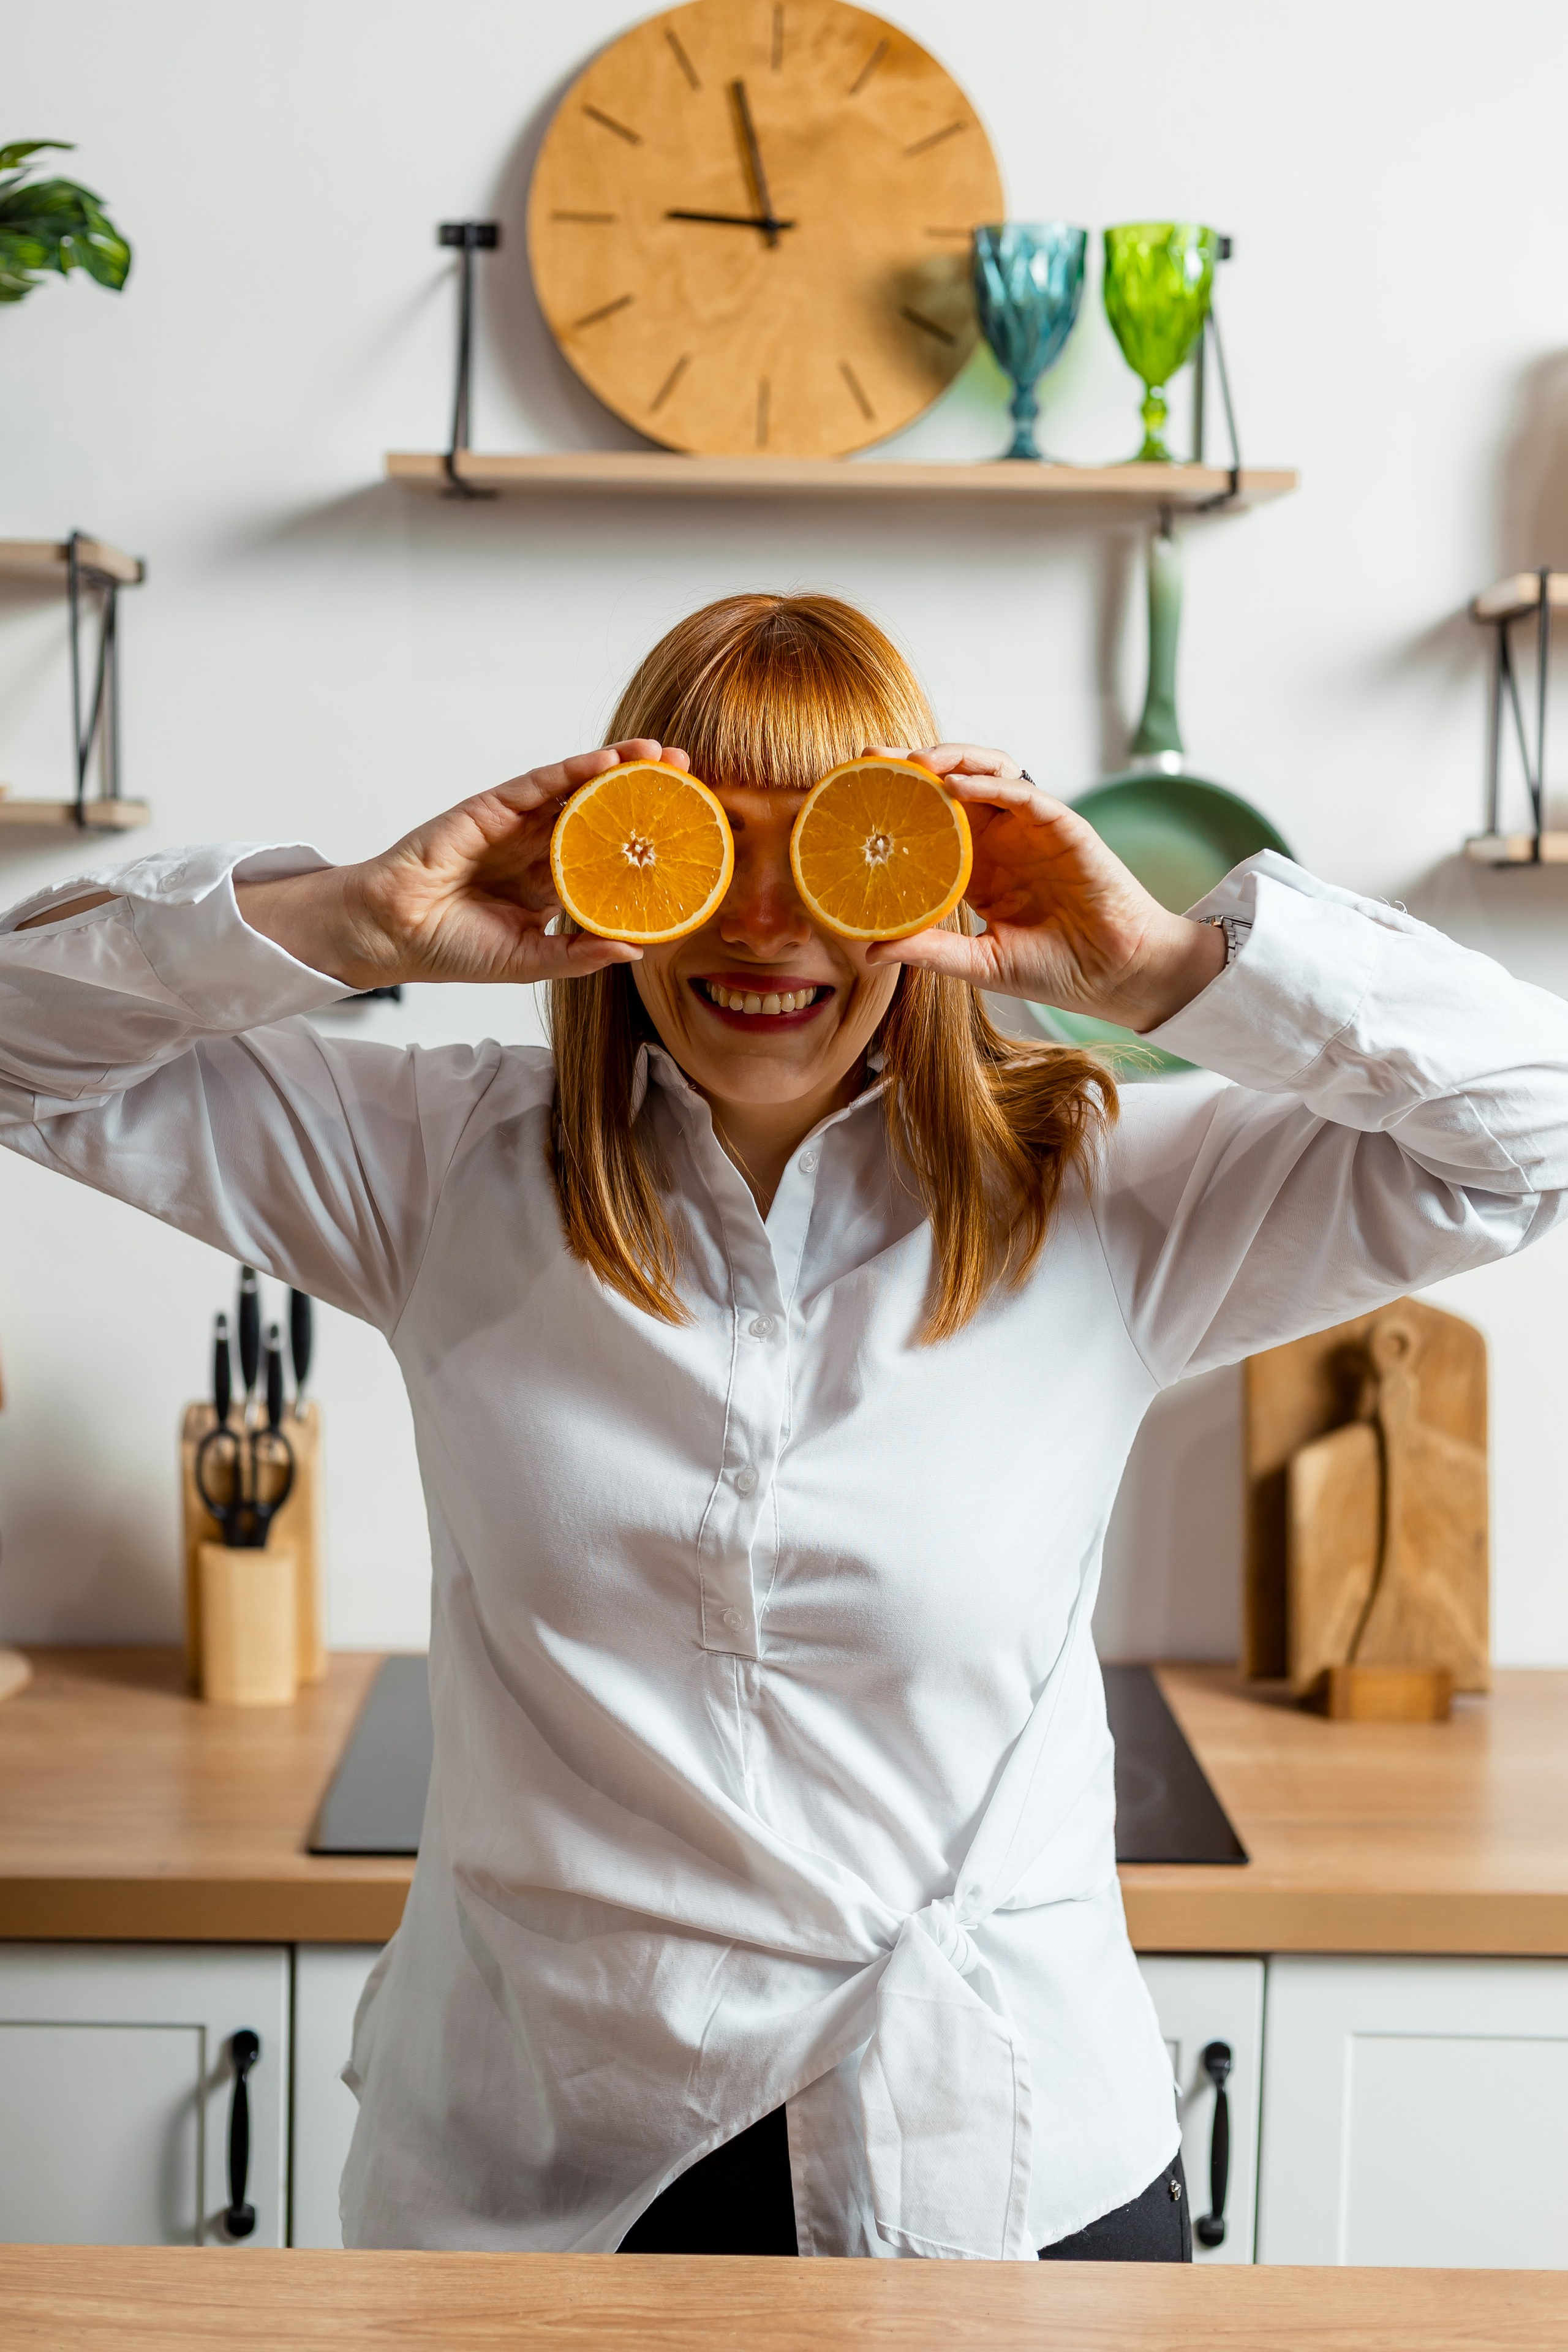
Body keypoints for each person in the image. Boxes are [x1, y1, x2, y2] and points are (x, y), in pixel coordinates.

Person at [2, 590, 1566, 2263]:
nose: (764, 928)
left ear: (929, 871)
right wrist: (361, 920)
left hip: (995, 2168)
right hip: (538, 2179)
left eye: (833, 851)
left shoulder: (1104, 1199)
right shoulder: (441, 1169)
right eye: (703, 850)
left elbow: (1532, 1136)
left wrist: (1166, 970)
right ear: (617, 864)